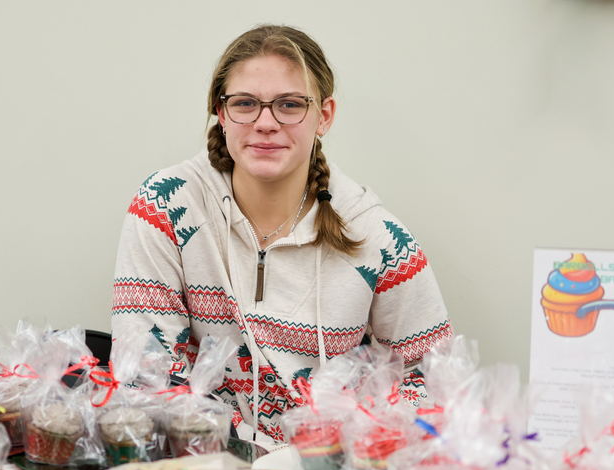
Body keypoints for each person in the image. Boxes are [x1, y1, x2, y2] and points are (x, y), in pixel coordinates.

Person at [111, 24, 451, 443]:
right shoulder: (165, 206)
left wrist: (341, 452)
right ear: (221, 112)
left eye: (290, 105)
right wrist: (256, 457)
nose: (265, 123)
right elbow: (145, 376)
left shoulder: (379, 239)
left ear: (323, 116)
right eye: (245, 103)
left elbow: (436, 382)